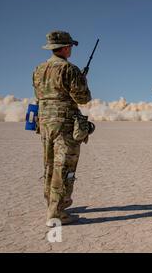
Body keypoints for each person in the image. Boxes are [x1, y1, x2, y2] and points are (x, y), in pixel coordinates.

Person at [33, 30, 92, 226]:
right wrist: (83, 81)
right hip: (64, 123)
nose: (71, 50)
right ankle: (56, 214)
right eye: (70, 47)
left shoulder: (39, 69)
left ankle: (51, 203)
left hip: (44, 121)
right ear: (65, 47)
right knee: (64, 166)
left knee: (49, 163)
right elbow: (82, 98)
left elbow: (40, 94)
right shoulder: (70, 69)